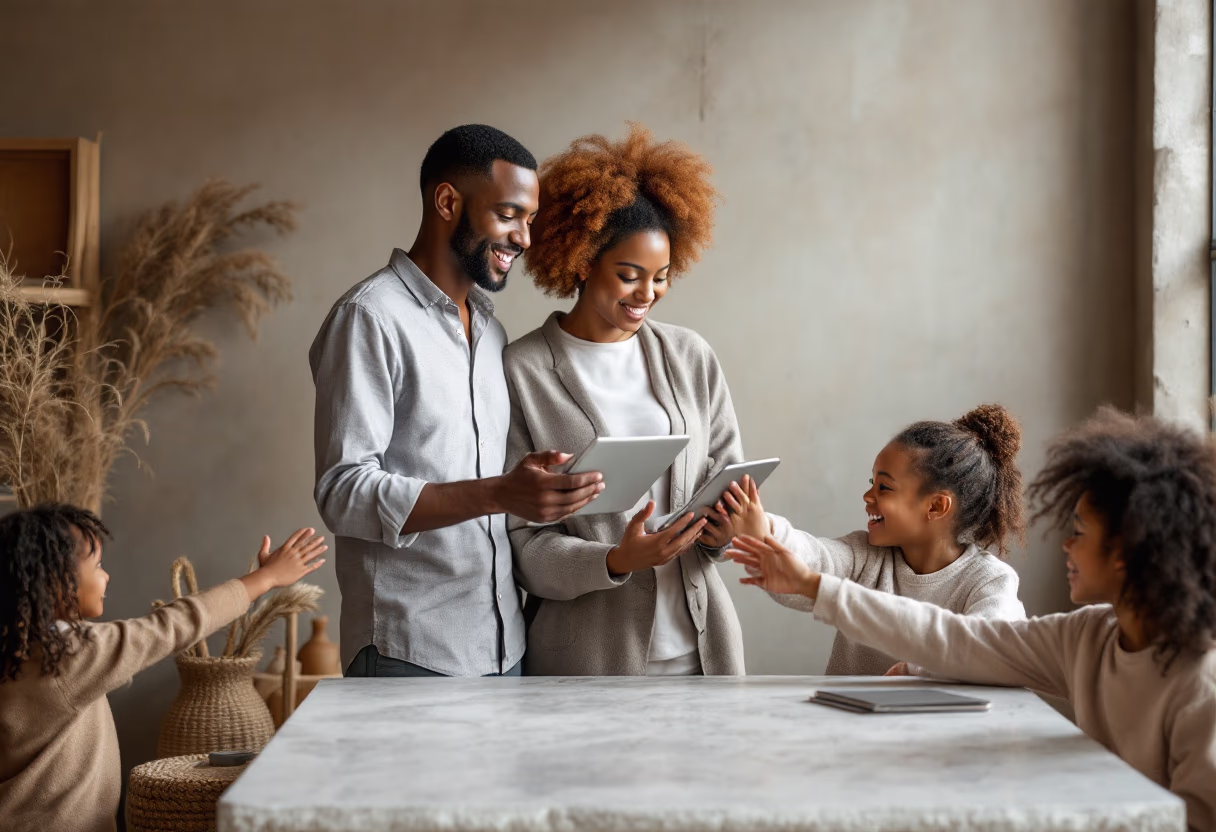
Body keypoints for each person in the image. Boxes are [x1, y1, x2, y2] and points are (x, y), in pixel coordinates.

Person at [728, 408, 1216, 831]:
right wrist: (792, 561)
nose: (1066, 545)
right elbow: (957, 640)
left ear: (1126, 555)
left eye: (1080, 532)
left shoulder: (1201, 684)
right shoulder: (1082, 637)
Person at [311, 125, 606, 678]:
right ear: (447, 201)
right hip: (410, 650)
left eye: (530, 221)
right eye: (509, 214)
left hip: (503, 647)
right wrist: (500, 492)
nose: (523, 237)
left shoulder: (491, 334)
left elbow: (479, 479)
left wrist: (531, 484)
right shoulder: (370, 319)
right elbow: (343, 491)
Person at [504, 124, 747, 676]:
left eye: (661, 278)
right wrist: (616, 560)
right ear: (584, 260)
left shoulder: (690, 355)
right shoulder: (522, 371)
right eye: (629, 276)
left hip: (703, 653)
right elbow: (523, 544)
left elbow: (726, 477)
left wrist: (728, 529)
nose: (647, 295)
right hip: (587, 660)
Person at [0, 503, 326, 832]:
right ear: (57, 581)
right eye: (97, 565)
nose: (106, 575)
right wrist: (264, 579)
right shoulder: (65, 658)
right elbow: (169, 627)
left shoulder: (20, 651)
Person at [720, 404, 1026, 675]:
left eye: (885, 488)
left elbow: (988, 649)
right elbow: (813, 556)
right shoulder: (864, 556)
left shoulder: (989, 581)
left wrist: (918, 672)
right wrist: (762, 529)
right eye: (872, 483)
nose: (868, 497)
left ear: (935, 506)